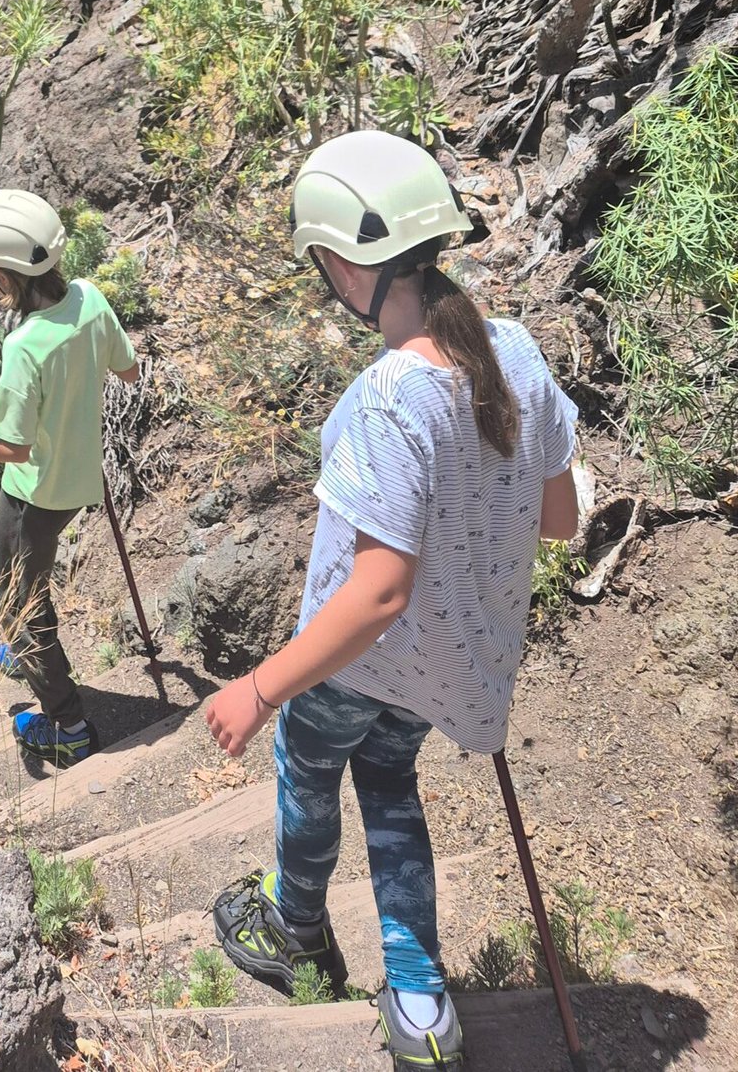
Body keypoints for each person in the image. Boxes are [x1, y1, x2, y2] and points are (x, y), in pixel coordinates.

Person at [203, 131, 580, 1072]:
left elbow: (376, 591)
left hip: (356, 662)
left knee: (306, 764)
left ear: (344, 264)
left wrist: (260, 686)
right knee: (389, 785)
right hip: (443, 666)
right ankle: (418, 1002)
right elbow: (561, 517)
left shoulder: (385, 398)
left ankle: (298, 929)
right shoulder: (518, 355)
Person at [0, 188, 141, 768]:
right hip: (80, 480)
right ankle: (31, 658)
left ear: (8, 276)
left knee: (14, 597)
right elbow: (127, 367)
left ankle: (66, 723)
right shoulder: (91, 298)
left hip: (32, 495)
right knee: (28, 584)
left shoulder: (23, 346)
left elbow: (11, 446)